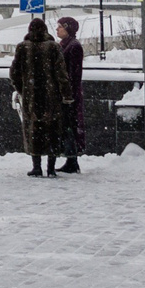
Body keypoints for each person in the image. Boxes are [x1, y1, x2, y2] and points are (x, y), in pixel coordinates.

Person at [9, 16, 69, 177]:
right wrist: (66, 93)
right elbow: (61, 74)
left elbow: (14, 73)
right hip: (52, 97)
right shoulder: (54, 47)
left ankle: (36, 167)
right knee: (52, 130)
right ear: (45, 31)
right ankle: (51, 168)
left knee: (34, 130)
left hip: (31, 98)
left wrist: (23, 89)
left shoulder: (22, 48)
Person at [55, 15, 86, 174]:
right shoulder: (66, 45)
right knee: (68, 126)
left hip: (70, 95)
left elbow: (74, 74)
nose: (57, 29)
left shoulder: (73, 47)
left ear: (68, 29)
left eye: (60, 26)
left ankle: (72, 160)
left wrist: (69, 95)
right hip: (67, 93)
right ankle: (71, 159)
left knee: (70, 126)